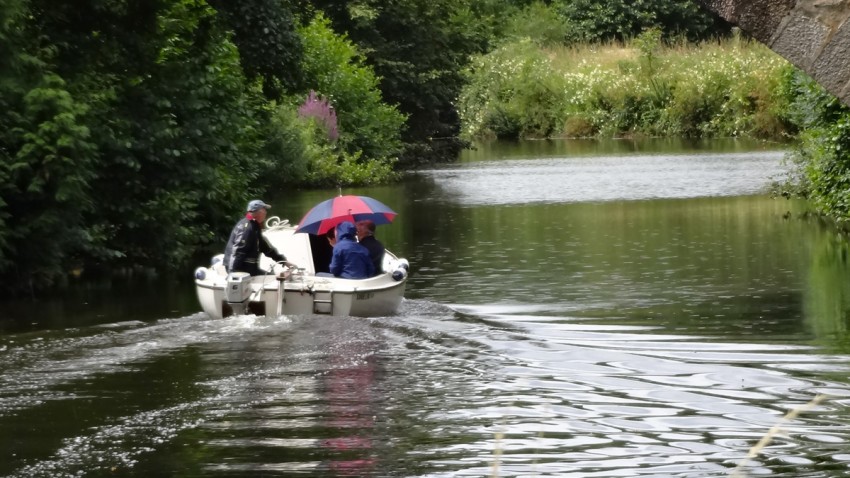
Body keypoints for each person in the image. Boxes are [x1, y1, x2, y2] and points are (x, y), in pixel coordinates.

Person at [223, 199, 287, 276]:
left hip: (250, 269)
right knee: (272, 279)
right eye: (264, 210)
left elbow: (265, 247)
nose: (266, 212)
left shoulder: (255, 226)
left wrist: (283, 261)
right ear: (259, 212)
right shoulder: (247, 227)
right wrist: (232, 274)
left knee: (272, 277)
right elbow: (238, 251)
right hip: (241, 270)